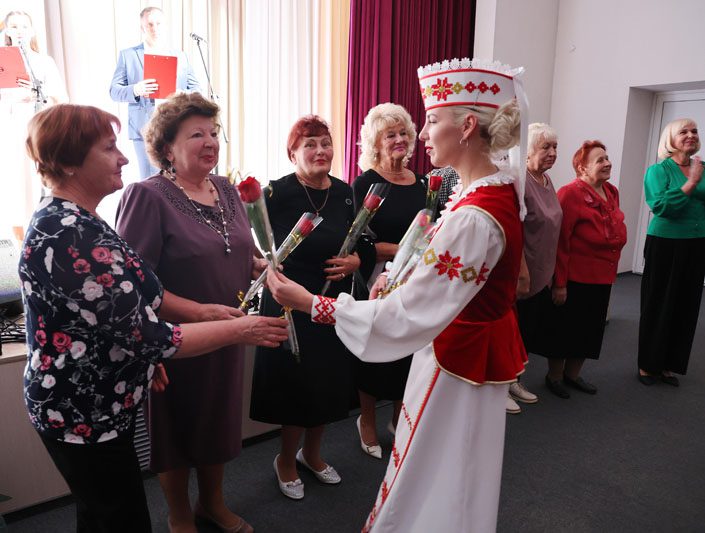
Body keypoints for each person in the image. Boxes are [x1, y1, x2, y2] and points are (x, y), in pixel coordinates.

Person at [266, 58, 528, 531]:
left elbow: (406, 316)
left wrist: (311, 303)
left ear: (468, 126)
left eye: (431, 121)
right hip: (464, 351)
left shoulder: (472, 214)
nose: (422, 136)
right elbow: (448, 284)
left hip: (456, 361)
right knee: (455, 471)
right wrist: (403, 277)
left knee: (438, 473)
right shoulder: (490, 191)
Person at [20, 103, 288, 533]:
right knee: (117, 517)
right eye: (109, 148)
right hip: (81, 408)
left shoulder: (85, 221)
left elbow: (145, 286)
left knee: (105, 512)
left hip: (103, 403)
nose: (124, 156)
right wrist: (241, 328)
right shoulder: (68, 233)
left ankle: (207, 506)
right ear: (69, 162)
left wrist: (203, 311)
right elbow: (151, 337)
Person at [115, 93, 260, 533]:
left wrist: (263, 263)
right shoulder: (147, 196)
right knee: (174, 431)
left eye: (214, 132)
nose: (210, 141)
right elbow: (135, 282)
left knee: (217, 421)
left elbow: (243, 250)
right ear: (167, 147)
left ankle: (211, 504)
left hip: (228, 330)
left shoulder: (230, 190)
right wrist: (196, 314)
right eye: (196, 134)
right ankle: (180, 515)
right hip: (174, 340)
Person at [249, 115, 361, 501]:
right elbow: (245, 236)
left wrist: (356, 261)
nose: (319, 151)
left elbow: (361, 240)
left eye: (325, 143)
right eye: (309, 144)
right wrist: (260, 263)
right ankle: (285, 459)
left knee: (328, 383)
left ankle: (312, 455)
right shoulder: (276, 192)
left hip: (332, 301)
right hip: (289, 303)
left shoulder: (347, 192)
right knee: (297, 386)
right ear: (292, 152)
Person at [352, 103, 426, 458]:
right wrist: (402, 250)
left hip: (417, 279)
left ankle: (399, 416)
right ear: (376, 143)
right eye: (390, 135)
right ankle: (366, 420)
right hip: (377, 280)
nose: (398, 140)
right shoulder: (366, 183)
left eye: (403, 134)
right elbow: (359, 242)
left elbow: (433, 226)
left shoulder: (423, 183)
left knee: (409, 348)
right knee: (375, 350)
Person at [542, 140, 627, 398]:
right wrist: (560, 283)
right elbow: (560, 241)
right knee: (564, 329)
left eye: (607, 157)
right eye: (600, 160)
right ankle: (554, 377)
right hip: (574, 277)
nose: (607, 163)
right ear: (582, 167)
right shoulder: (570, 193)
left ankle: (573, 375)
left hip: (602, 275)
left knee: (589, 329)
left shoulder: (611, 191)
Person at [638, 119, 705, 386]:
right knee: (659, 304)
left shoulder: (700, 167)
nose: (691, 135)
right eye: (684, 131)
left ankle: (668, 364)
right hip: (665, 243)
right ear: (670, 138)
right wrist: (692, 182)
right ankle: (647, 365)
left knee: (685, 306)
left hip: (697, 242)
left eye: (694, 131)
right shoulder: (658, 171)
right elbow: (662, 206)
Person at [109, 6, 201, 180]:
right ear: (142, 27)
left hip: (176, 124)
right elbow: (114, 91)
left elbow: (197, 90)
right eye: (150, 24)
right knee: (151, 180)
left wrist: (182, 94)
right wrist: (135, 89)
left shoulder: (181, 56)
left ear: (165, 26)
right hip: (144, 126)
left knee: (178, 176)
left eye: (158, 24)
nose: (155, 28)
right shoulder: (128, 55)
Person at [509, 123, 562, 413]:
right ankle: (500, 384)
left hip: (543, 269)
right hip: (522, 272)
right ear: (527, 152)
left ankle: (515, 379)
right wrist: (522, 272)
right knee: (511, 331)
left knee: (527, 331)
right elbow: (514, 230)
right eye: (546, 147)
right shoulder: (520, 181)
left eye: (555, 147)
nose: (553, 153)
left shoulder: (546, 180)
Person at [0, 10, 67, 237]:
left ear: (32, 31)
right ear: (7, 31)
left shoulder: (43, 61)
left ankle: (47, 236)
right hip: (12, 130)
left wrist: (41, 95)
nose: (20, 32)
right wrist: (14, 96)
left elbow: (62, 99)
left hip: (40, 130)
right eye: (15, 27)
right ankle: (22, 246)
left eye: (24, 27)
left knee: (42, 183)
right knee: (17, 191)